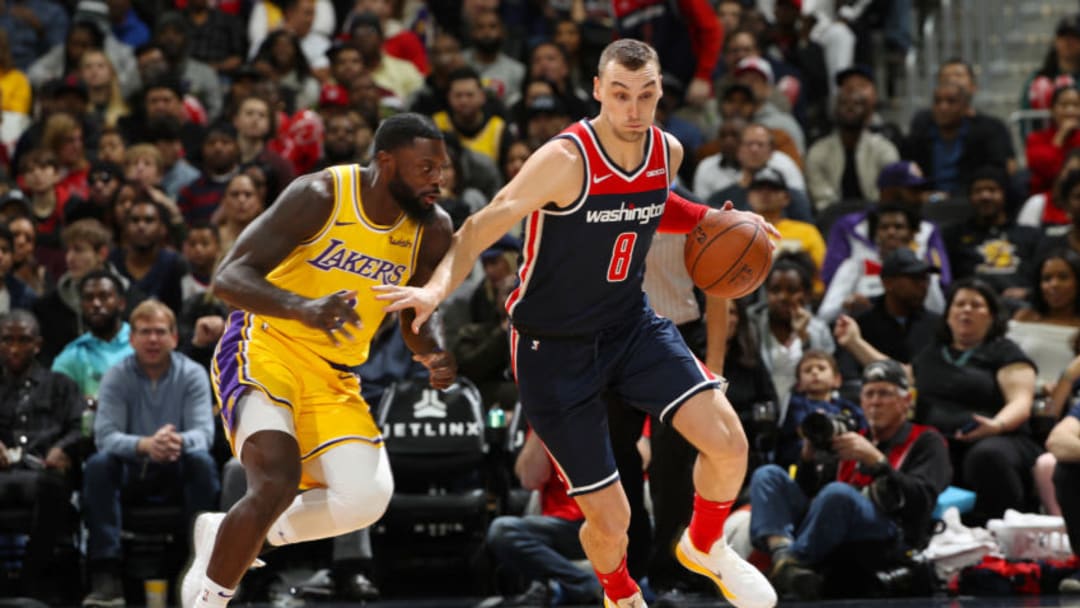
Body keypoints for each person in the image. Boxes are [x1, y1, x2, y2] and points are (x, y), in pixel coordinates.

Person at [376, 40, 778, 608]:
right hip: (552, 349)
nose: (634, 110)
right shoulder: (565, 160)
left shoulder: (668, 150)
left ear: (661, 89)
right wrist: (436, 288)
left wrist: (715, 219)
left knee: (729, 444)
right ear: (597, 90)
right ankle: (619, 595)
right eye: (620, 95)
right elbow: (482, 224)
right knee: (611, 520)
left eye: (646, 94)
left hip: (629, 325)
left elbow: (654, 200)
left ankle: (705, 545)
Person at [178, 113, 458, 608]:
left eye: (443, 169)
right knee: (277, 480)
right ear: (386, 164)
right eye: (426, 168)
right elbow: (228, 278)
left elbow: (415, 317)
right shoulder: (322, 195)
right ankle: (211, 598)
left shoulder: (432, 229)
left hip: (333, 373)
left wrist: (433, 350)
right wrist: (303, 309)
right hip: (265, 344)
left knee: (366, 499)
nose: (439, 179)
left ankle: (228, 532)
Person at [748, 359, 952, 601]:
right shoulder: (850, 437)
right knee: (768, 475)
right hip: (831, 525)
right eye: (869, 394)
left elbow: (922, 501)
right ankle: (785, 558)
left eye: (885, 393)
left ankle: (792, 563)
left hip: (891, 533)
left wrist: (877, 462)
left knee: (839, 494)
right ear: (861, 401)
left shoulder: (926, 440)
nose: (876, 401)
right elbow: (813, 497)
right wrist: (808, 459)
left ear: (906, 401)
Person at [81, 300, 219, 607]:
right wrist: (145, 445)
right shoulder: (117, 376)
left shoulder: (193, 374)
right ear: (132, 339)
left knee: (203, 463)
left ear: (174, 337)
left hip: (177, 467)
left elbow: (204, 434)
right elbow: (105, 437)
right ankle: (107, 574)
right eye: (144, 332)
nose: (153, 339)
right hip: (132, 472)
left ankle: (198, 563)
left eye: (160, 332)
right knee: (98, 465)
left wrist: (174, 443)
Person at [0, 309, 83, 601]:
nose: (14, 347)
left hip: (44, 472)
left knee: (52, 488)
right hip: (4, 472)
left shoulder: (61, 385)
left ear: (37, 344)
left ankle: (31, 580)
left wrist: (62, 449)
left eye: (23, 340)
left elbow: (79, 427)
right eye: (7, 340)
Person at [50, 270, 133, 398]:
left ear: (121, 303)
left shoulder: (143, 344)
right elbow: (58, 406)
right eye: (88, 298)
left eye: (104, 296)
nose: (96, 304)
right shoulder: (72, 356)